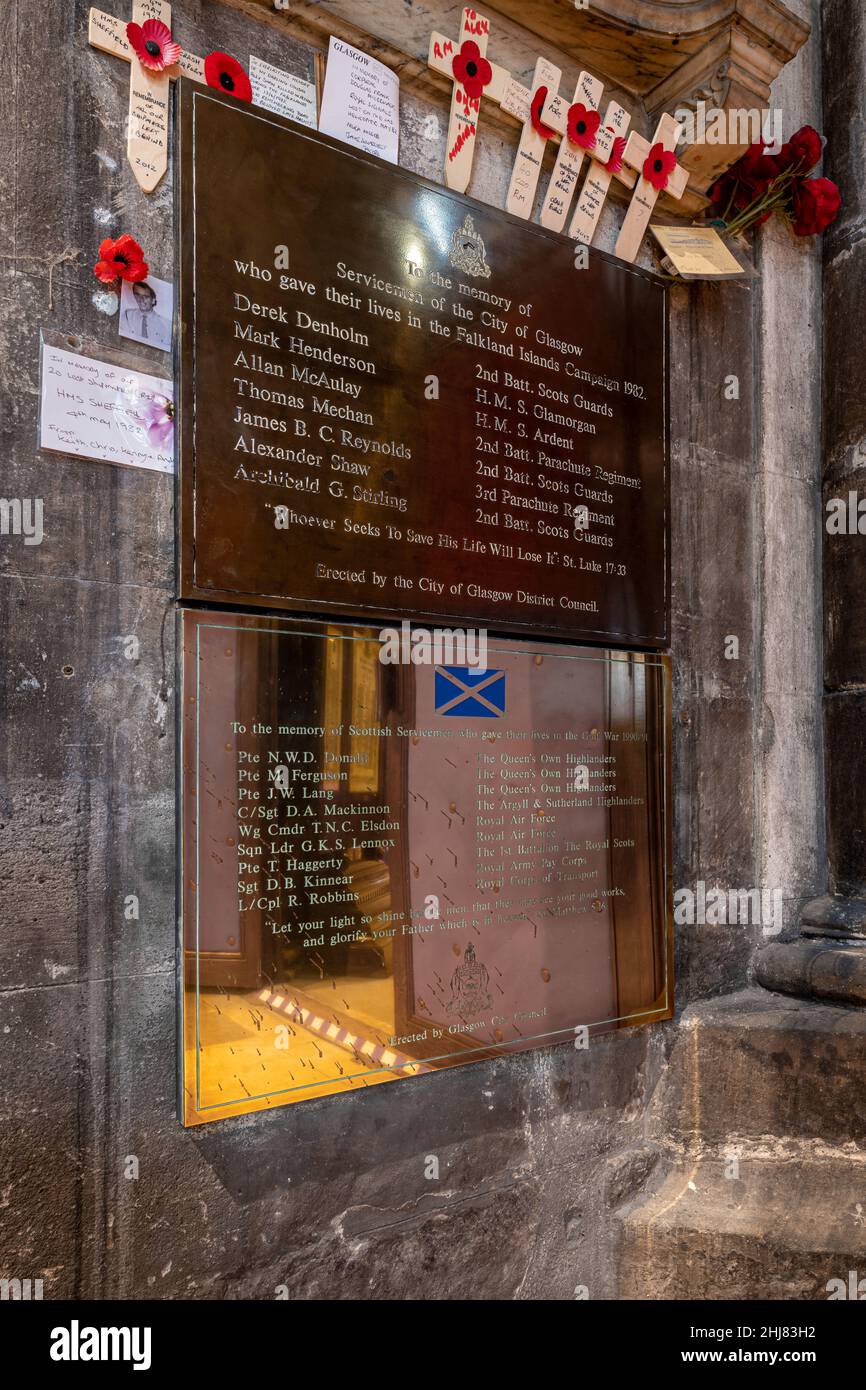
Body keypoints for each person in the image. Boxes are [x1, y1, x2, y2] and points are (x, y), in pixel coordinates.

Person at [123, 281, 171, 349]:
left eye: (146, 296)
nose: (141, 299)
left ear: (153, 300)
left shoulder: (166, 325)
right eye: (138, 295)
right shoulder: (127, 315)